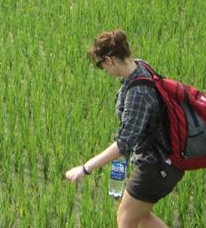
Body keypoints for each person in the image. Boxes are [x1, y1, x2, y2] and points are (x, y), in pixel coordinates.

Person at [64, 30, 182, 228]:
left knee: (125, 218)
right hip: (165, 162)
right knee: (141, 217)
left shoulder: (138, 92)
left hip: (156, 166)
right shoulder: (139, 66)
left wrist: (85, 168)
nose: (105, 72)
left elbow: (123, 143)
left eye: (101, 67)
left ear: (109, 60)